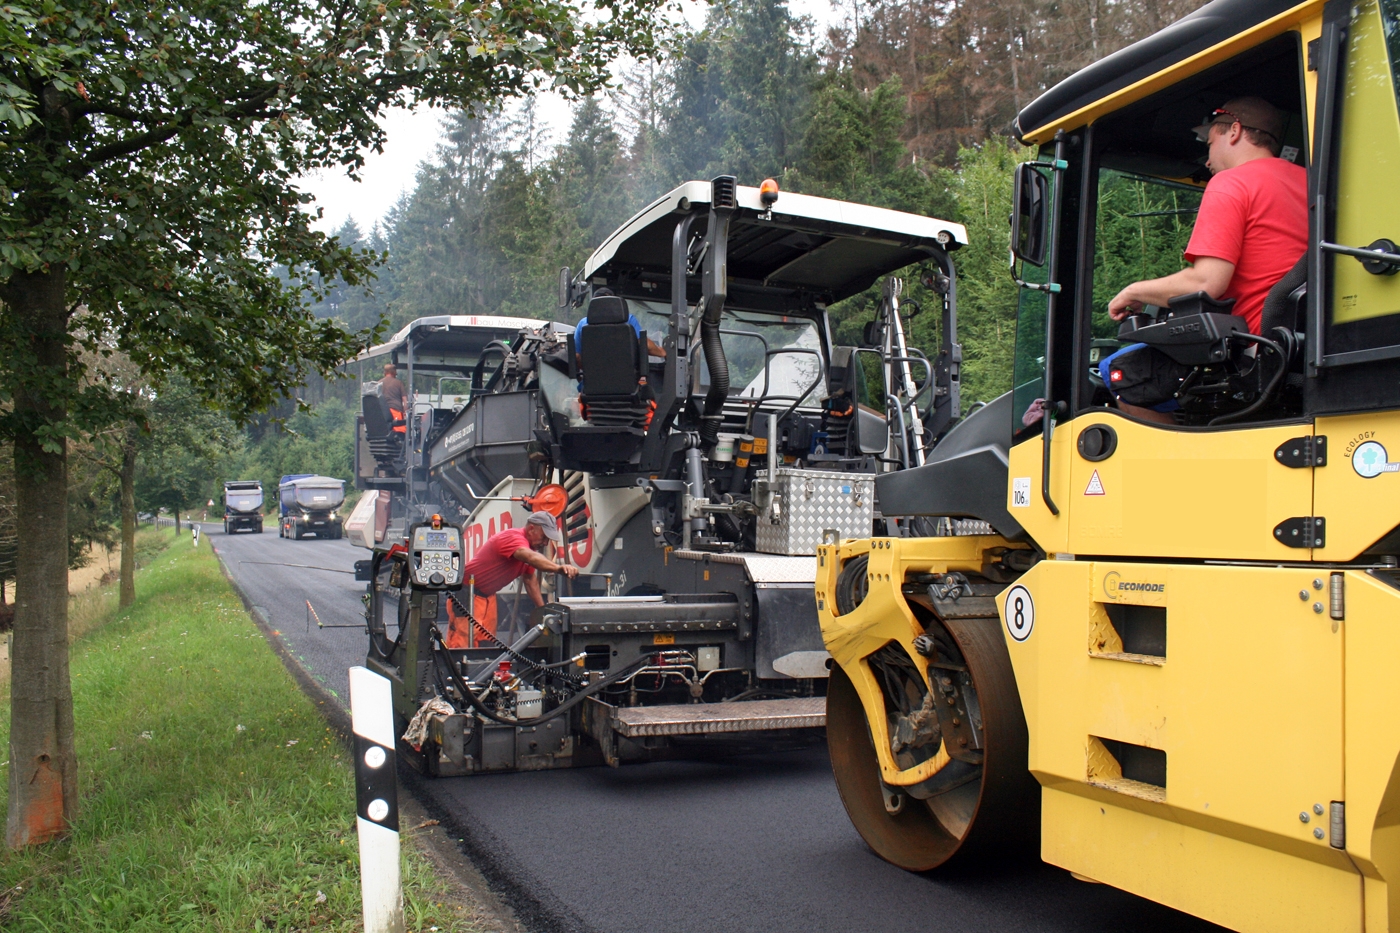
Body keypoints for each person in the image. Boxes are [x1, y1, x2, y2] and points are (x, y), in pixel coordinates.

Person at [1104, 96, 1307, 422]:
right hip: (1301, 349)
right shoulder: (1311, 183)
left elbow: (1206, 283)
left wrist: (1133, 291)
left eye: (1210, 143)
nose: (1207, 158)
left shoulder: (1231, 183)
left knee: (1122, 373)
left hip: (1251, 352)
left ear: (1235, 131)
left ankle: (1179, 470)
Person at [444, 510, 579, 649]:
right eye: (544, 537)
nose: (545, 543)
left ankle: (482, 668)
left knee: (486, 642)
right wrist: (558, 568)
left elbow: (529, 579)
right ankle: (458, 670)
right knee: (462, 642)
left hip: (487, 596)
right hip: (467, 593)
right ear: (531, 528)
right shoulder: (513, 537)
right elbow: (528, 557)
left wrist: (542, 610)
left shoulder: (529, 548)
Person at [574, 289, 666, 360]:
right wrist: (661, 352)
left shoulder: (582, 324)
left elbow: (577, 356)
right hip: (627, 381)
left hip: (592, 381)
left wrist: (588, 374)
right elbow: (646, 345)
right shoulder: (628, 319)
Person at [380, 363, 408, 435]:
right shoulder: (398, 383)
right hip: (395, 411)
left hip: (383, 412)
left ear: (385, 372)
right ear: (394, 372)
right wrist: (405, 411)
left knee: (385, 432)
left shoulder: (379, 383)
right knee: (399, 432)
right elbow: (404, 399)